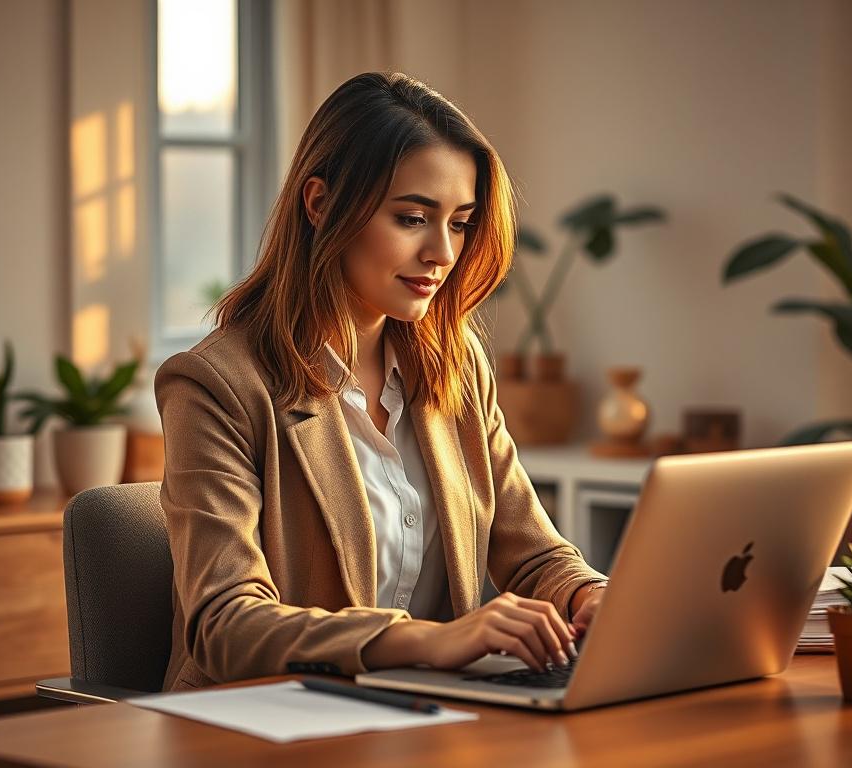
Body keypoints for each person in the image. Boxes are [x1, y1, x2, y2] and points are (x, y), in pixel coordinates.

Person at [155, 71, 608, 691]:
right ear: (319, 204)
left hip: (429, 720)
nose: (443, 254)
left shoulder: (452, 365)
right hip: (268, 726)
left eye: (459, 223)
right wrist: (432, 640)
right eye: (413, 218)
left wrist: (589, 595)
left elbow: (530, 549)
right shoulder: (217, 386)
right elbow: (226, 627)